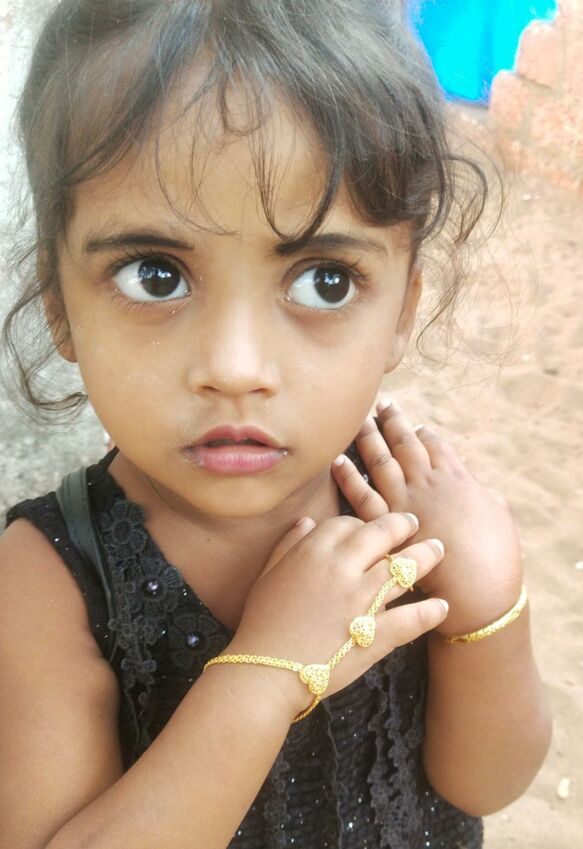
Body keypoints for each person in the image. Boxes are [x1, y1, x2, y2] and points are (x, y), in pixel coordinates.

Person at [0, 2, 552, 848]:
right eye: (155, 275)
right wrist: (268, 672)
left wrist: (490, 605)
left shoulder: (404, 515)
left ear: (403, 310)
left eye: (325, 280)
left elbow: (483, 782)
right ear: (59, 304)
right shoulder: (48, 582)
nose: (235, 365)